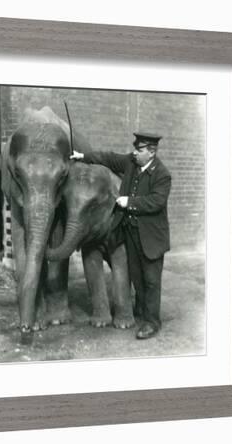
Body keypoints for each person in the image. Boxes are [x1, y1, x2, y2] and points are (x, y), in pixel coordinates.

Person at [70, 132, 171, 339]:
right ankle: (142, 311)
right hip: (131, 234)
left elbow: (156, 202)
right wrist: (83, 156)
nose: (135, 153)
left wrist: (129, 202)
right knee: (138, 278)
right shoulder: (132, 163)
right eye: (135, 149)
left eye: (140, 150)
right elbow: (108, 158)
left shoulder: (162, 175)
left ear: (151, 152)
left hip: (151, 236)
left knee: (151, 280)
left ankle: (152, 323)